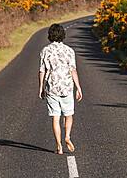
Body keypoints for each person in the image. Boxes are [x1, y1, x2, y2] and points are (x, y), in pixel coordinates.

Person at [38, 23, 83, 155]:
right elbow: (73, 70)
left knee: (55, 117)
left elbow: (42, 71)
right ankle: (67, 136)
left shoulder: (45, 51)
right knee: (68, 115)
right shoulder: (69, 51)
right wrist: (78, 87)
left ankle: (59, 146)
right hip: (67, 87)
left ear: (50, 36)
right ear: (63, 35)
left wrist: (41, 88)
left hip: (52, 87)